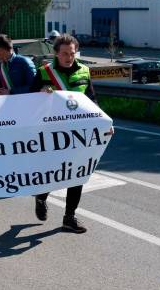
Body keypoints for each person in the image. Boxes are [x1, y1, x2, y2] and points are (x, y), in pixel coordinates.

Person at [30, 34, 106, 233]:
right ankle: (41, 196)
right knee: (53, 172)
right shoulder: (44, 72)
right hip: (51, 134)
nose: (69, 57)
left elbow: (92, 102)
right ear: (56, 53)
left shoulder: (84, 71)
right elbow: (27, 102)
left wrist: (104, 123)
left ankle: (69, 217)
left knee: (77, 174)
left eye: (72, 53)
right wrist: (39, 93)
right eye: (64, 53)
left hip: (78, 133)